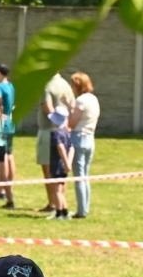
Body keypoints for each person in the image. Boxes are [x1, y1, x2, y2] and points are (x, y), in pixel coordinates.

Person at [36, 71, 74, 214]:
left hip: (48, 131)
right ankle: (61, 202)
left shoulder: (46, 85)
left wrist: (56, 121)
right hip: (64, 131)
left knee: (49, 170)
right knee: (61, 172)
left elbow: (47, 107)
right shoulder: (65, 84)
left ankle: (53, 203)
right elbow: (72, 105)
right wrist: (65, 124)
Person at [68, 72, 99, 220]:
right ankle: (85, 207)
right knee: (85, 175)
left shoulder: (80, 101)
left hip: (78, 138)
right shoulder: (94, 99)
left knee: (79, 176)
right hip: (90, 138)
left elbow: (72, 123)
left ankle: (81, 211)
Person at [0, 63, 16, 209]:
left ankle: (2, 189)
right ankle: (9, 187)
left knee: (2, 157)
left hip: (3, 123)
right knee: (9, 154)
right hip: (11, 122)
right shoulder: (11, 86)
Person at [47, 105, 73, 220]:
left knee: (56, 190)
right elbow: (72, 148)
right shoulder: (67, 133)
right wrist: (69, 162)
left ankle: (59, 212)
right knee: (61, 189)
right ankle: (65, 210)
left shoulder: (56, 134)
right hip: (64, 166)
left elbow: (60, 147)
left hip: (57, 165)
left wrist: (66, 162)